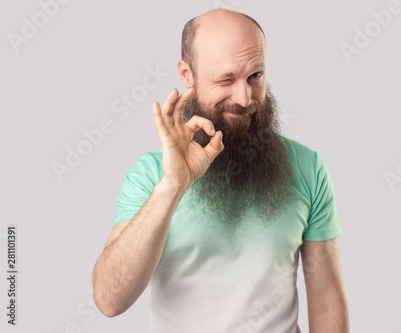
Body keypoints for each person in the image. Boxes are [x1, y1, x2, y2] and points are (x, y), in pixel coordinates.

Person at [92, 8, 349, 333]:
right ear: (187, 75)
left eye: (255, 76)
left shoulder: (307, 167)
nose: (244, 98)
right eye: (226, 79)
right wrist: (173, 185)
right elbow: (108, 300)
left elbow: (326, 299)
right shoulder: (150, 175)